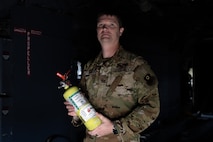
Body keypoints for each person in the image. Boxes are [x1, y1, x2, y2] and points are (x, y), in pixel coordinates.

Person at [64, 10, 160, 142]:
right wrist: (76, 114)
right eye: (101, 25)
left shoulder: (136, 66)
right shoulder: (89, 67)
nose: (105, 28)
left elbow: (152, 108)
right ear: (97, 31)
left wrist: (115, 128)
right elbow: (85, 106)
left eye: (111, 25)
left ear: (120, 31)